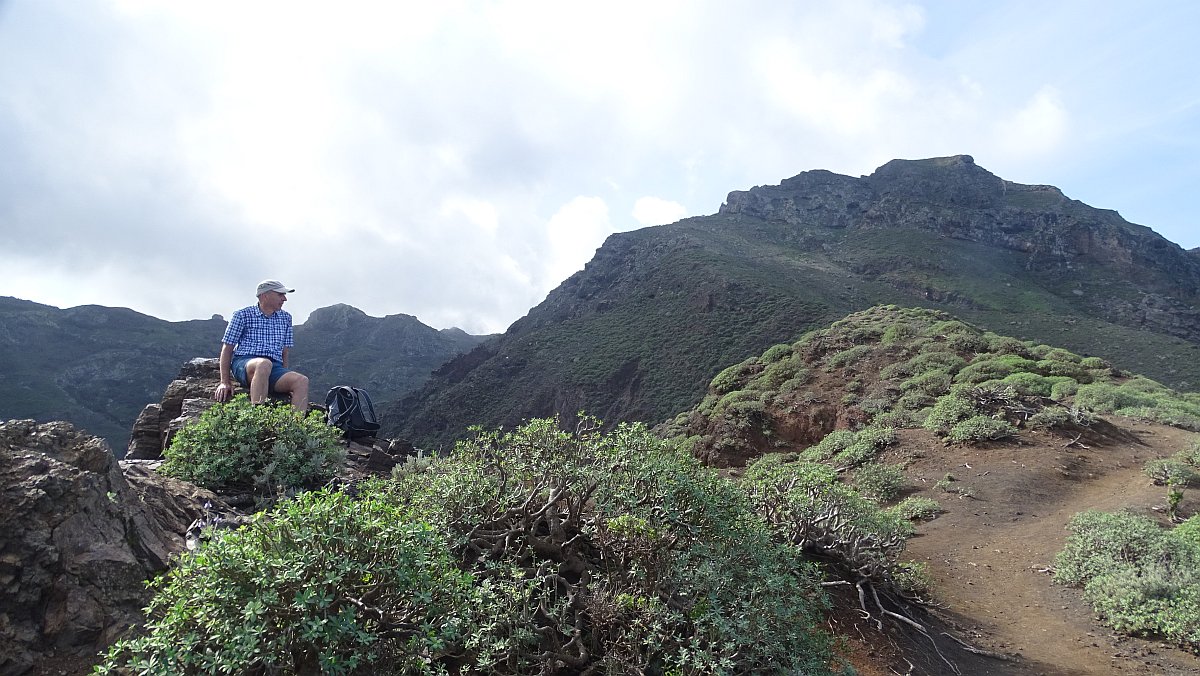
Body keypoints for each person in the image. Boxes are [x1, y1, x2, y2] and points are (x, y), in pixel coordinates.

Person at [213, 280, 309, 411]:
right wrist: (224, 382)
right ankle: (258, 415)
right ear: (265, 296)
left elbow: (284, 351)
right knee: (263, 364)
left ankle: (295, 428)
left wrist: (285, 377)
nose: (284, 299)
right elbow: (227, 348)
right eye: (280, 294)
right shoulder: (242, 315)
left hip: (274, 367)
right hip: (245, 363)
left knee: (301, 381)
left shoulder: (286, 318)